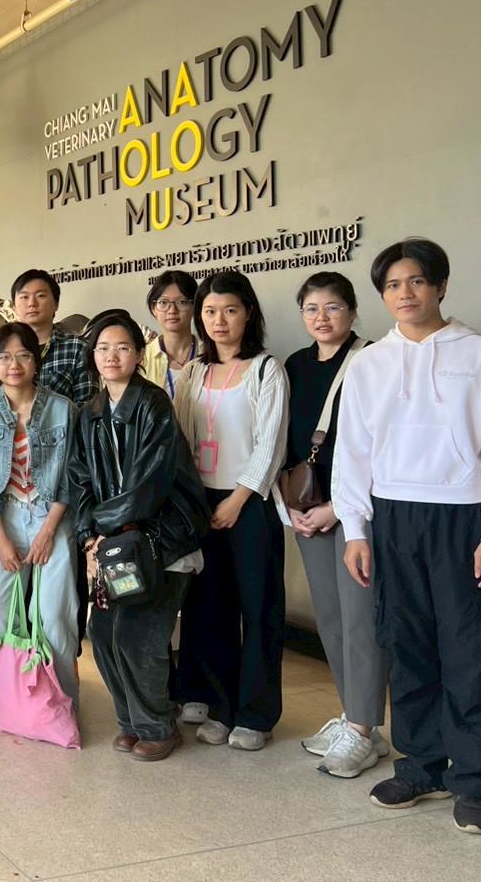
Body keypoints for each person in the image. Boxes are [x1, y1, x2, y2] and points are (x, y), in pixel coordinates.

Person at [335, 238, 481, 835]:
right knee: (408, 646)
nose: (405, 294)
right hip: (392, 518)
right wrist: (355, 528)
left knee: (471, 652)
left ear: (440, 286)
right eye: (393, 285)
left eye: (417, 281)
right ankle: (421, 766)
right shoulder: (369, 364)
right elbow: (352, 451)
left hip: (462, 518)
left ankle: (473, 780)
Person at [72, 310, 211, 762]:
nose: (111, 356)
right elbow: (79, 480)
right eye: (103, 348)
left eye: (122, 347)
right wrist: (89, 535)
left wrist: (103, 528)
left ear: (137, 354)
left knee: (139, 634)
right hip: (115, 546)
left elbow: (148, 485)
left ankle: (157, 726)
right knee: (102, 631)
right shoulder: (90, 413)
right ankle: (133, 722)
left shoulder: (154, 405)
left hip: (161, 541)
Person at [173, 270, 289, 751]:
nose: (219, 320)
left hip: (250, 503)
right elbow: (181, 439)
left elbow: (271, 443)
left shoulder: (266, 370)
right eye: (209, 311)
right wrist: (194, 500)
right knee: (210, 608)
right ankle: (220, 706)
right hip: (200, 502)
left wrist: (238, 498)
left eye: (230, 310)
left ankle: (256, 715)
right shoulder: (193, 373)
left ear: (249, 314)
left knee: (258, 609)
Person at [282, 273, 389, 778]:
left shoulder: (374, 360)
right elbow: (287, 440)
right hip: (307, 510)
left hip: (357, 511)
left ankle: (364, 730)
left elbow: (381, 445)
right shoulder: (296, 366)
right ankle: (354, 717)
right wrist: (291, 506)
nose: (321, 318)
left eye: (332, 307)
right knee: (330, 617)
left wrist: (339, 508)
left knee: (360, 618)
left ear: (352, 310)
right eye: (311, 309)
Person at [0, 322, 80, 713]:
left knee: (55, 616)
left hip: (53, 517)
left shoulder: (63, 409)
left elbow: (71, 476)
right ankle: (3, 701)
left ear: (36, 360)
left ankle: (60, 703)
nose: (13, 364)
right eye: (3, 356)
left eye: (22, 355)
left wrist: (48, 531)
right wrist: (1, 539)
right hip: (7, 517)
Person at [0, 269, 91, 409]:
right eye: (24, 297)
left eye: (40, 295)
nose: (32, 303)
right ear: (14, 307)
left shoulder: (77, 348)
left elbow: (87, 408)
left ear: (56, 304)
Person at [140, 271, 199, 400]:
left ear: (195, 307)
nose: (172, 310)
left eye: (182, 302)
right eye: (163, 302)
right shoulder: (142, 358)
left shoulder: (210, 353)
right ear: (153, 308)